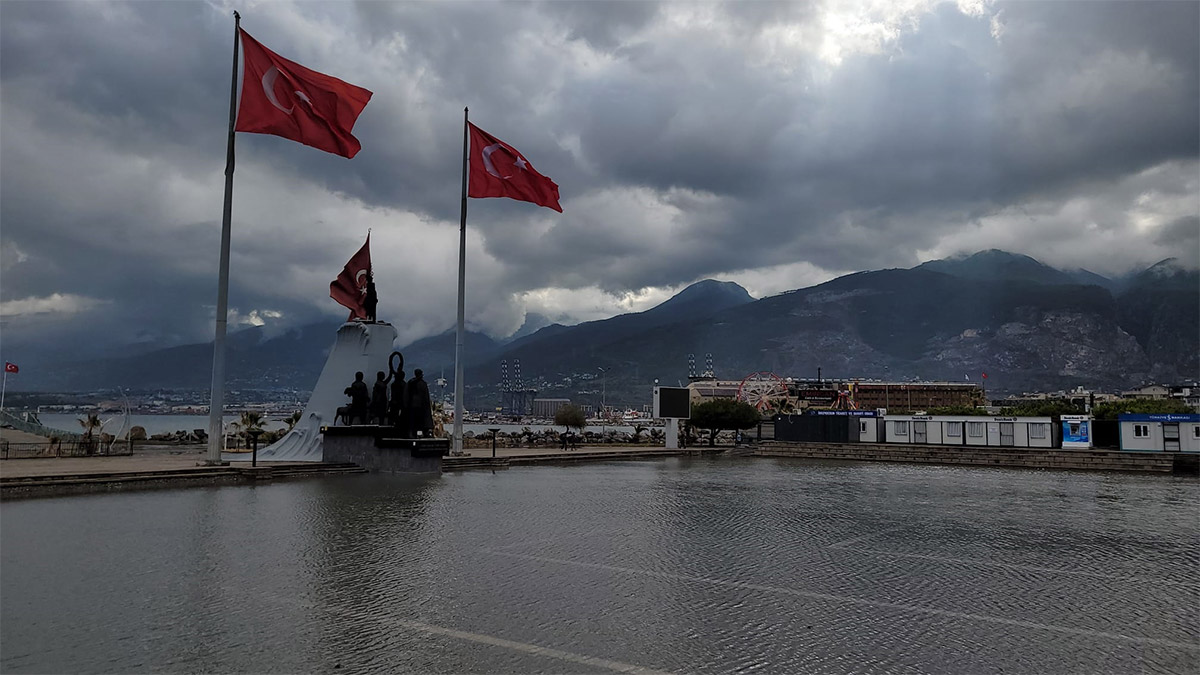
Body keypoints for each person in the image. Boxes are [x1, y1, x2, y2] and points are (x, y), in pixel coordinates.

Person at [406, 369, 434, 437]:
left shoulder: (411, 382)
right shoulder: (422, 383)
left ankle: (414, 433)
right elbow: (425, 396)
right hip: (420, 405)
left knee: (414, 420)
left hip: (414, 404)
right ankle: (422, 432)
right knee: (420, 420)